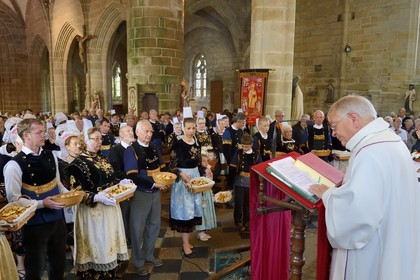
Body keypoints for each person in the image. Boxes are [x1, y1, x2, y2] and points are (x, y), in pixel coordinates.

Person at [309, 95, 420, 280]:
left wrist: (328, 194)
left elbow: (355, 218)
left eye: (334, 126)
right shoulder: (390, 142)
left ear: (353, 119)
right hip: (397, 241)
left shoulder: (369, 153)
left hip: (371, 255)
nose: (334, 133)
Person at [4, 119, 68, 280]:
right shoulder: (14, 165)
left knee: (58, 265)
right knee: (34, 268)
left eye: (44, 131)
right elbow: (14, 200)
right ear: (26, 135)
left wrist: (70, 195)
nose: (44, 135)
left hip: (57, 219)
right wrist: (41, 203)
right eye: (39, 132)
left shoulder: (50, 156)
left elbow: (58, 184)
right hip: (34, 223)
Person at [66, 127, 128, 279]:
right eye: (96, 139)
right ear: (85, 141)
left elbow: (110, 179)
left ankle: (111, 272)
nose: (100, 142)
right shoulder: (76, 165)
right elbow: (75, 193)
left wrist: (120, 182)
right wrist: (96, 197)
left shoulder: (102, 158)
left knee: (110, 244)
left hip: (110, 208)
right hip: (93, 212)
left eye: (101, 138)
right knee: (99, 245)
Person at [123, 120, 167, 276]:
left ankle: (148, 254)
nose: (149, 134)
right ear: (137, 132)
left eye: (151, 132)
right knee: (137, 228)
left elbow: (162, 169)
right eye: (146, 132)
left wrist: (167, 178)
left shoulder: (154, 148)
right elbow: (133, 176)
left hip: (156, 193)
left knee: (154, 225)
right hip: (141, 193)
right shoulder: (131, 150)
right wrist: (153, 184)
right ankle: (138, 260)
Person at [168, 117, 203, 258]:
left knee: (193, 209)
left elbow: (198, 162)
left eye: (193, 128)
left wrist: (204, 169)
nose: (191, 131)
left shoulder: (197, 143)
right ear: (183, 128)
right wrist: (181, 173)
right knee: (185, 211)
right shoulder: (177, 145)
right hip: (182, 181)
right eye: (188, 128)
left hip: (194, 177)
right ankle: (185, 244)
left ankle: (187, 241)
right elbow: (171, 165)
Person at [109, 125, 136, 247]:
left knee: (135, 213)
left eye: (131, 130)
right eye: (128, 131)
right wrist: (128, 180)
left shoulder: (135, 147)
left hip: (138, 186)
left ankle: (135, 236)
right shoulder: (116, 150)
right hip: (124, 187)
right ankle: (127, 240)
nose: (131, 133)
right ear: (121, 135)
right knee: (126, 213)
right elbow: (116, 170)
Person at [229, 134, 261, 231]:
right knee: (239, 203)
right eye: (242, 146)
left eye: (246, 146)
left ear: (251, 144)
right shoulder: (238, 153)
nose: (244, 148)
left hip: (251, 182)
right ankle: (238, 221)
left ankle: (247, 221)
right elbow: (232, 168)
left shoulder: (257, 154)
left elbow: (260, 168)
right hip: (240, 181)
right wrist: (230, 184)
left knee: (248, 203)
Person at [195, 154, 217, 241]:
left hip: (207, 191)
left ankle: (203, 232)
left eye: (206, 161)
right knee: (202, 212)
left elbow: (210, 180)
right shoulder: (198, 170)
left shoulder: (207, 169)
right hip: (201, 193)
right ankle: (200, 232)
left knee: (206, 212)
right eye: (203, 161)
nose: (205, 163)